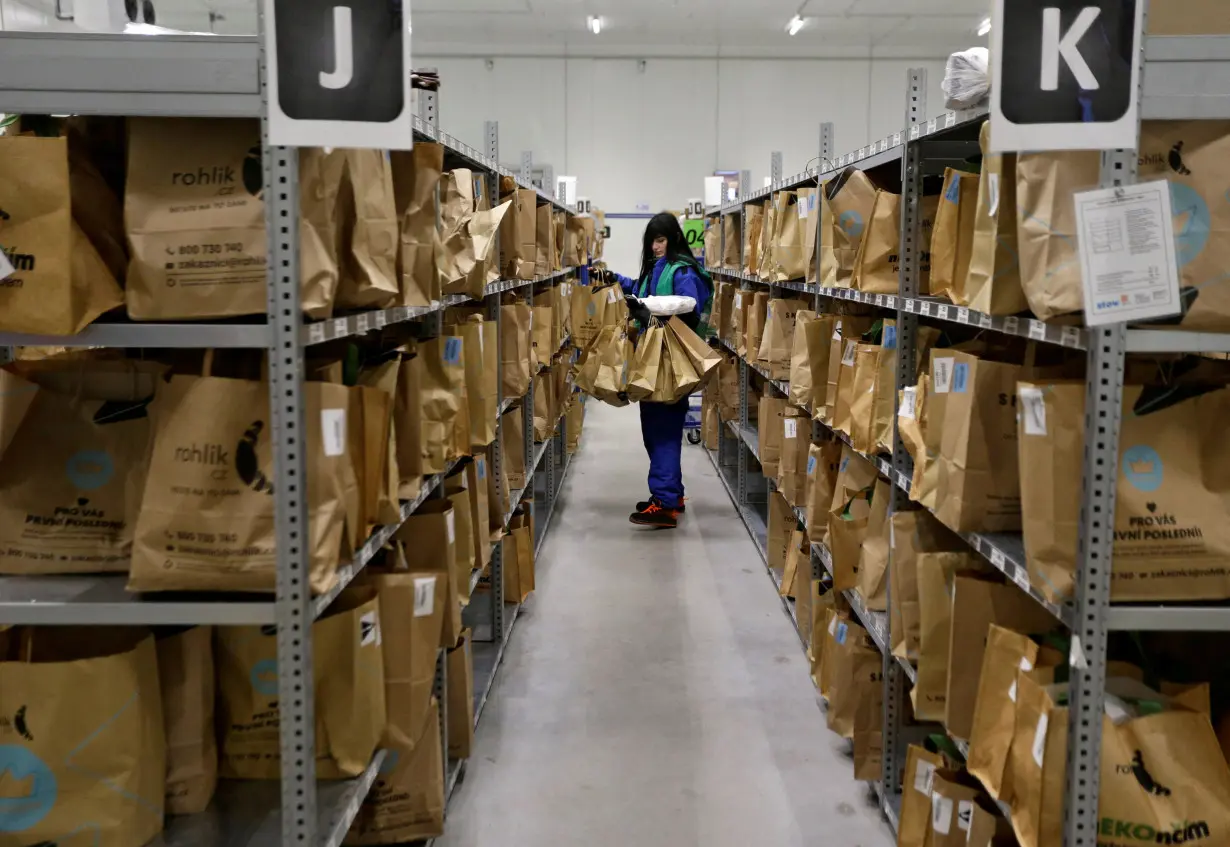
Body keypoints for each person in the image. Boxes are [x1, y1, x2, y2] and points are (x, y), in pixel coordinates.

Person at [598, 212, 712, 530]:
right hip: (654, 359)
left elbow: (689, 302)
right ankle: (670, 496)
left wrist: (648, 306)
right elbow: (641, 289)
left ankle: (663, 503)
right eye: (651, 241)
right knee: (655, 427)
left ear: (673, 239)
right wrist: (615, 281)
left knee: (662, 428)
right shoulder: (657, 268)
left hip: (669, 362)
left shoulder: (684, 269)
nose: (655, 247)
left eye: (660, 240)